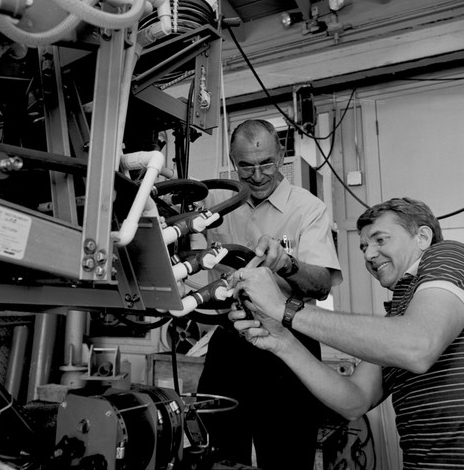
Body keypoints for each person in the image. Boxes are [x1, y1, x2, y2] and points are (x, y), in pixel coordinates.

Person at [230, 197, 464, 470]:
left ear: (423, 236)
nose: (368, 255)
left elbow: (419, 346)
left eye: (380, 240)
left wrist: (284, 308)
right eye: (364, 247)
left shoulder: (447, 254)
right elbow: (354, 400)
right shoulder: (396, 321)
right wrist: (282, 341)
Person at [197, 119, 342, 469]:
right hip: (230, 344)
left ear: (281, 155)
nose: (258, 175)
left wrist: (286, 263)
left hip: (289, 349)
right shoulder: (217, 203)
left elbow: (321, 285)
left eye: (267, 163)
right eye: (246, 165)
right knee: (217, 454)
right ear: (233, 161)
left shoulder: (308, 208)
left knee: (288, 457)